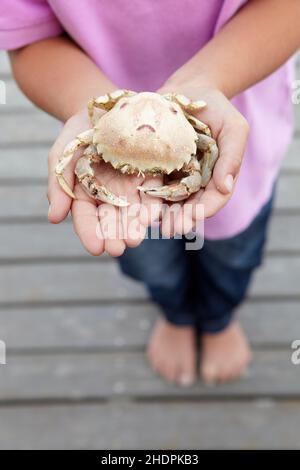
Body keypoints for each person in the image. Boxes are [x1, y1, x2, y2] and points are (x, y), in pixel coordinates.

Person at [1, 0, 299, 386]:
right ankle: (174, 314)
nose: (144, 178)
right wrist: (87, 104)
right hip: (108, 130)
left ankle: (219, 319)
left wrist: (207, 81)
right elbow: (29, 38)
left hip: (242, 139)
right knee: (150, 263)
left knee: (234, 259)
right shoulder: (97, 132)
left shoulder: (205, 150)